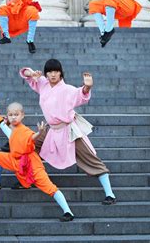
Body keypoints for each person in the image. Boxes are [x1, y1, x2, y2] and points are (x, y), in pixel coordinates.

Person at [20, 59, 117, 205]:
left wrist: (87, 87)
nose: (53, 74)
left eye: (56, 71)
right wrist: (31, 72)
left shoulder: (68, 89)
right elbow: (25, 73)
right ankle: (27, 178)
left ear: (60, 73)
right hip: (51, 130)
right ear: (46, 73)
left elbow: (81, 94)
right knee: (28, 144)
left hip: (68, 130)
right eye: (50, 71)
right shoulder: (43, 84)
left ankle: (110, 194)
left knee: (90, 158)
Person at [0, 102, 74, 222]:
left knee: (50, 188)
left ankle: (68, 211)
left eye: (16, 114)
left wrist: (39, 133)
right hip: (16, 160)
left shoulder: (24, 130)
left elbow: (31, 137)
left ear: (22, 115)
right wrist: (7, 121)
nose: (14, 117)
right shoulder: (10, 125)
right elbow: (6, 124)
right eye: (11, 115)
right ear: (7, 116)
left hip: (31, 164)